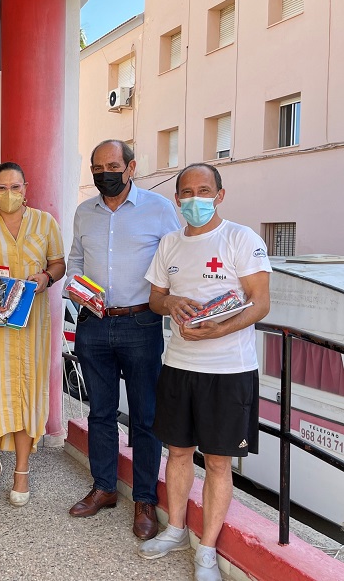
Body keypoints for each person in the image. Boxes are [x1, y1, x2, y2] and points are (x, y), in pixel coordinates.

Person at [139, 163, 271, 581]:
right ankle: (176, 529)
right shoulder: (170, 244)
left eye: (204, 190)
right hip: (179, 365)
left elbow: (260, 303)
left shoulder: (240, 237)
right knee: (177, 452)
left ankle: (207, 550)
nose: (195, 199)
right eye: (187, 192)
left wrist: (221, 328)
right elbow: (155, 298)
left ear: (219, 194)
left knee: (217, 462)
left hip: (229, 370)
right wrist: (172, 305)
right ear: (176, 199)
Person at [66, 139, 181, 539]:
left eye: (112, 166)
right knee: (99, 411)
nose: (104, 174)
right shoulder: (84, 212)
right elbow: (76, 261)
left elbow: (174, 262)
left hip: (141, 323)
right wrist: (76, 287)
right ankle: (104, 488)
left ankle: (145, 499)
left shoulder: (159, 209)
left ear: (131, 168)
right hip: (94, 322)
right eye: (97, 168)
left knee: (146, 416)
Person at [0, 162, 65, 507]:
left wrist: (47, 278)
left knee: (25, 392)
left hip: (30, 324)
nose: (9, 194)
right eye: (1, 188)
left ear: (26, 188)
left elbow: (58, 263)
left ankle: (22, 471)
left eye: (15, 187)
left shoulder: (45, 223)